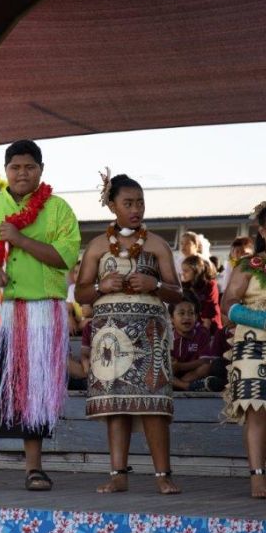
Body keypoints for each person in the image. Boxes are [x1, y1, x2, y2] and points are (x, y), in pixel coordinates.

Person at [0, 139, 80, 491]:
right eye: (15, 167)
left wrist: (19, 239)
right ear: (5, 170)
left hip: (39, 311)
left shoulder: (59, 209)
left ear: (41, 169)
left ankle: (33, 467)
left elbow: (64, 257)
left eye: (29, 167)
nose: (22, 173)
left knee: (32, 386)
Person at [75, 171, 182, 495]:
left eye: (140, 203)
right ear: (112, 205)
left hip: (149, 335)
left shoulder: (157, 244)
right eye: (128, 203)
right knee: (116, 404)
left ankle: (163, 474)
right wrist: (99, 286)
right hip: (110, 336)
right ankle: (118, 473)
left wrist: (156, 285)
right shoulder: (96, 246)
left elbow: (177, 292)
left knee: (152, 403)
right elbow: (80, 294)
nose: (136, 209)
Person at [221, 200, 266, 498]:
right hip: (253, 344)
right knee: (256, 411)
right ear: (262, 230)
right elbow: (227, 306)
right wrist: (260, 318)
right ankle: (257, 477)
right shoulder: (250, 265)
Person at [168, 291, 217, 391]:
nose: (187, 317)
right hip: (172, 373)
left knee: (207, 367)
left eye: (191, 313)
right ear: (172, 318)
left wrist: (180, 367)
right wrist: (171, 363)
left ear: (196, 317)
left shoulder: (202, 333)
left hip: (191, 374)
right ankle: (186, 386)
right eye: (181, 313)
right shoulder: (166, 335)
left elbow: (205, 360)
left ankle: (178, 385)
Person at [180, 254, 223, 334]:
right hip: (192, 327)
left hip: (211, 329)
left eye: (186, 271)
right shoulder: (185, 286)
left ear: (196, 271)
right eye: (182, 271)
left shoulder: (210, 285)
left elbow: (209, 310)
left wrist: (202, 335)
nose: (183, 274)